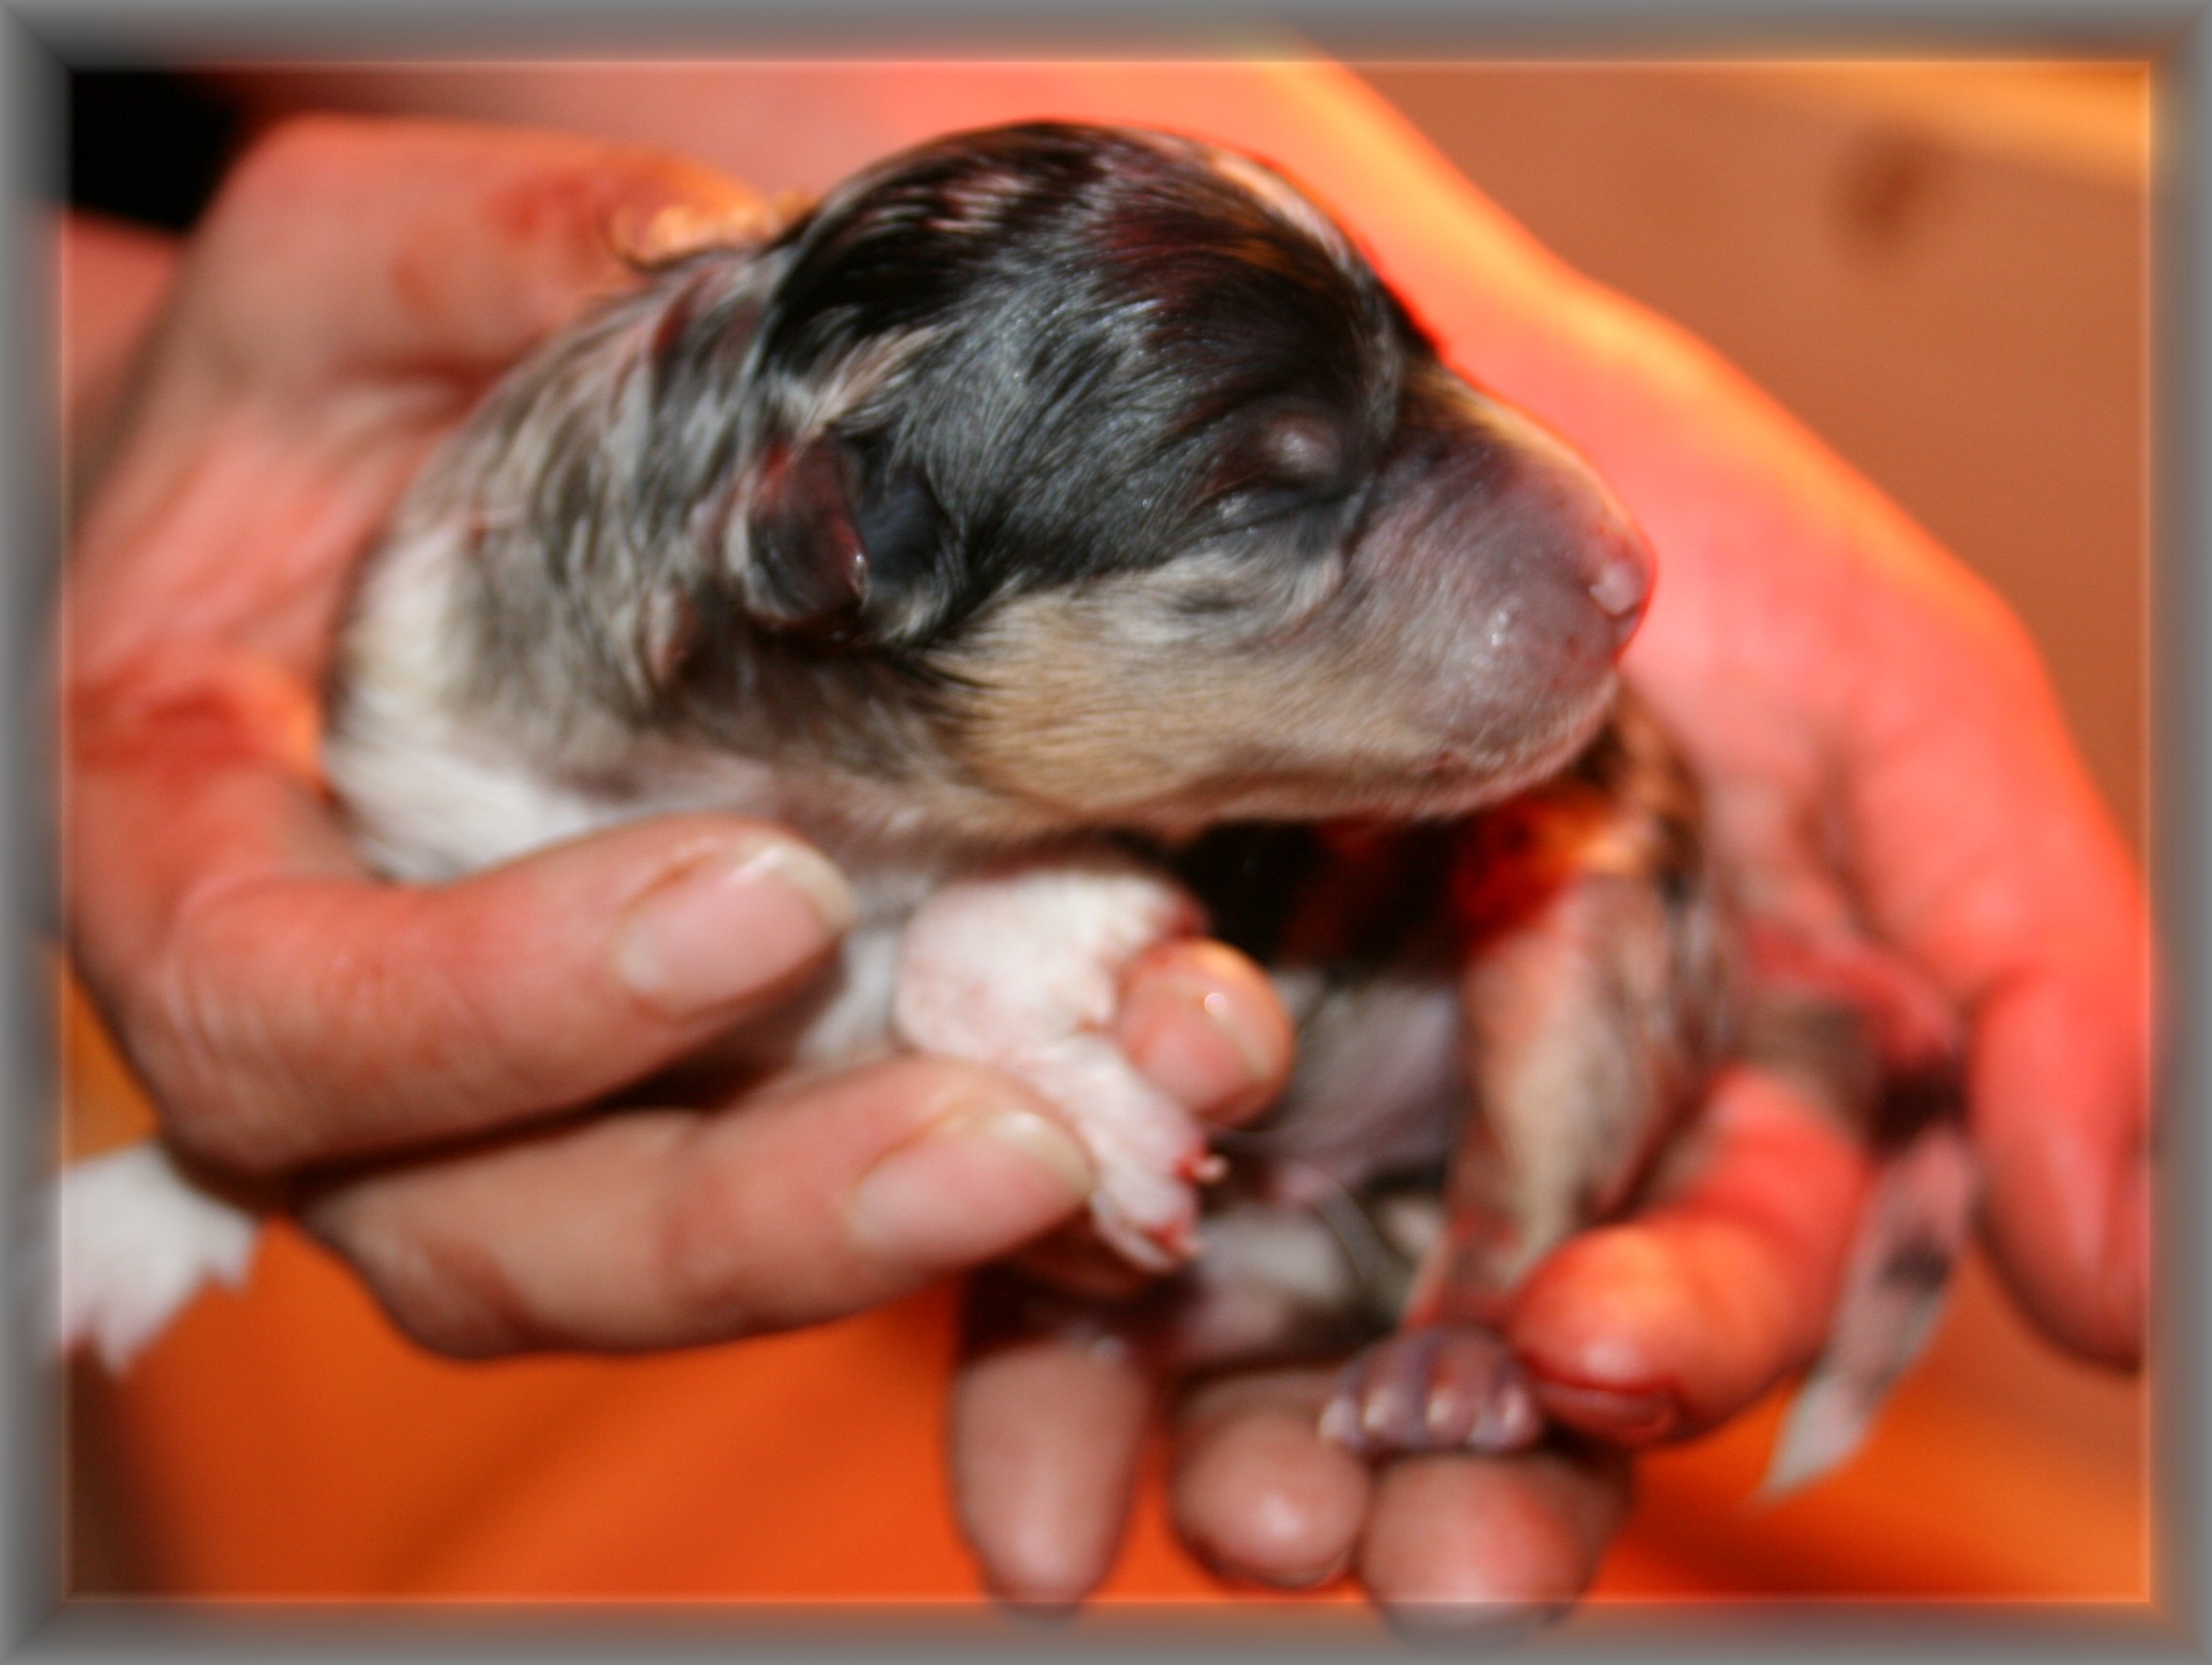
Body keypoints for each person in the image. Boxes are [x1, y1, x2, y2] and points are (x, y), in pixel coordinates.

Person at [60, 62, 2147, 1624]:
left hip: (1399, 980)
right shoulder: (438, 695)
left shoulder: (894, 632)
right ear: (848, 567)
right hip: (1223, 1065)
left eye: (1421, 375)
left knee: (1572, 880)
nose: (1600, 544)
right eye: (1281, 494)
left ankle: (1484, 1259)